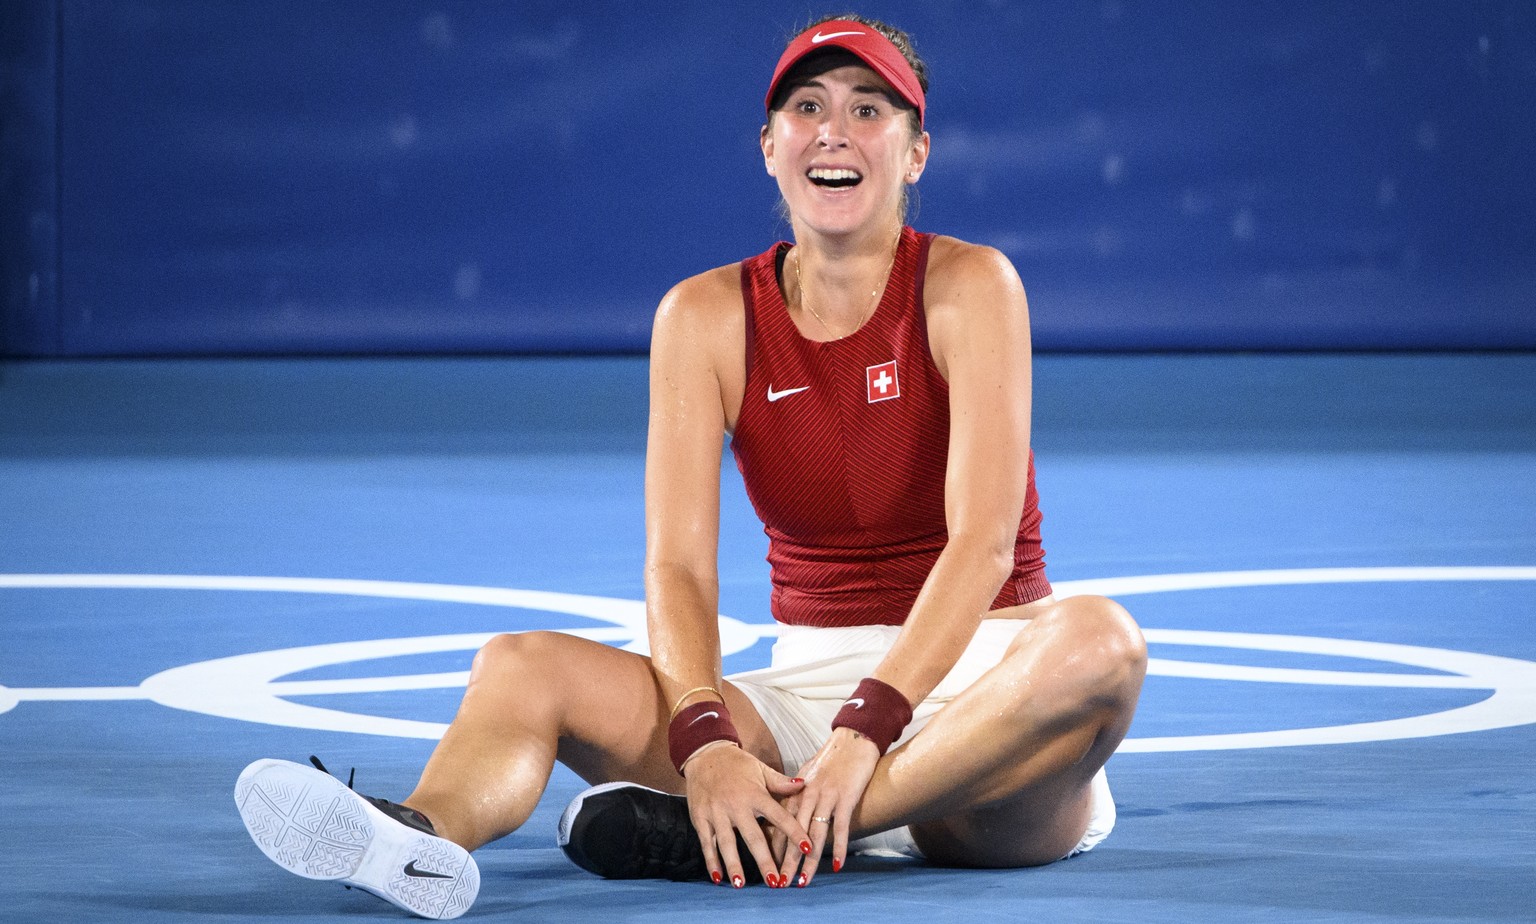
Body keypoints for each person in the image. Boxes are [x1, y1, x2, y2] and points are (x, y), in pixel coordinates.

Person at [234, 14, 1146, 919]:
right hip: (806, 696)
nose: (834, 129)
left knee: (1103, 641)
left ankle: (806, 835)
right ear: (769, 146)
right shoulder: (704, 317)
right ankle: (416, 839)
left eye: (870, 110)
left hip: (988, 700)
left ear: (915, 155)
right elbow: (676, 567)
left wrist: (868, 733)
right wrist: (706, 743)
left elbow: (983, 546)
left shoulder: (972, 286)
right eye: (808, 107)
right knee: (517, 665)